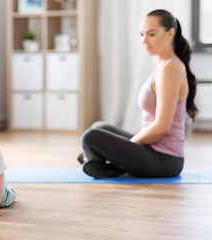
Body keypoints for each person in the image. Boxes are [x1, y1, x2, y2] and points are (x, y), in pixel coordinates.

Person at [78, 9, 198, 179]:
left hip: (164, 160)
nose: (144, 40)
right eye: (141, 34)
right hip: (153, 150)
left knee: (90, 137)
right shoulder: (163, 66)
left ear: (170, 33)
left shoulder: (171, 69)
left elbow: (162, 127)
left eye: (151, 34)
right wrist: (127, 147)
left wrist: (129, 145)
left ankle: (101, 163)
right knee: (99, 127)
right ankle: (101, 163)